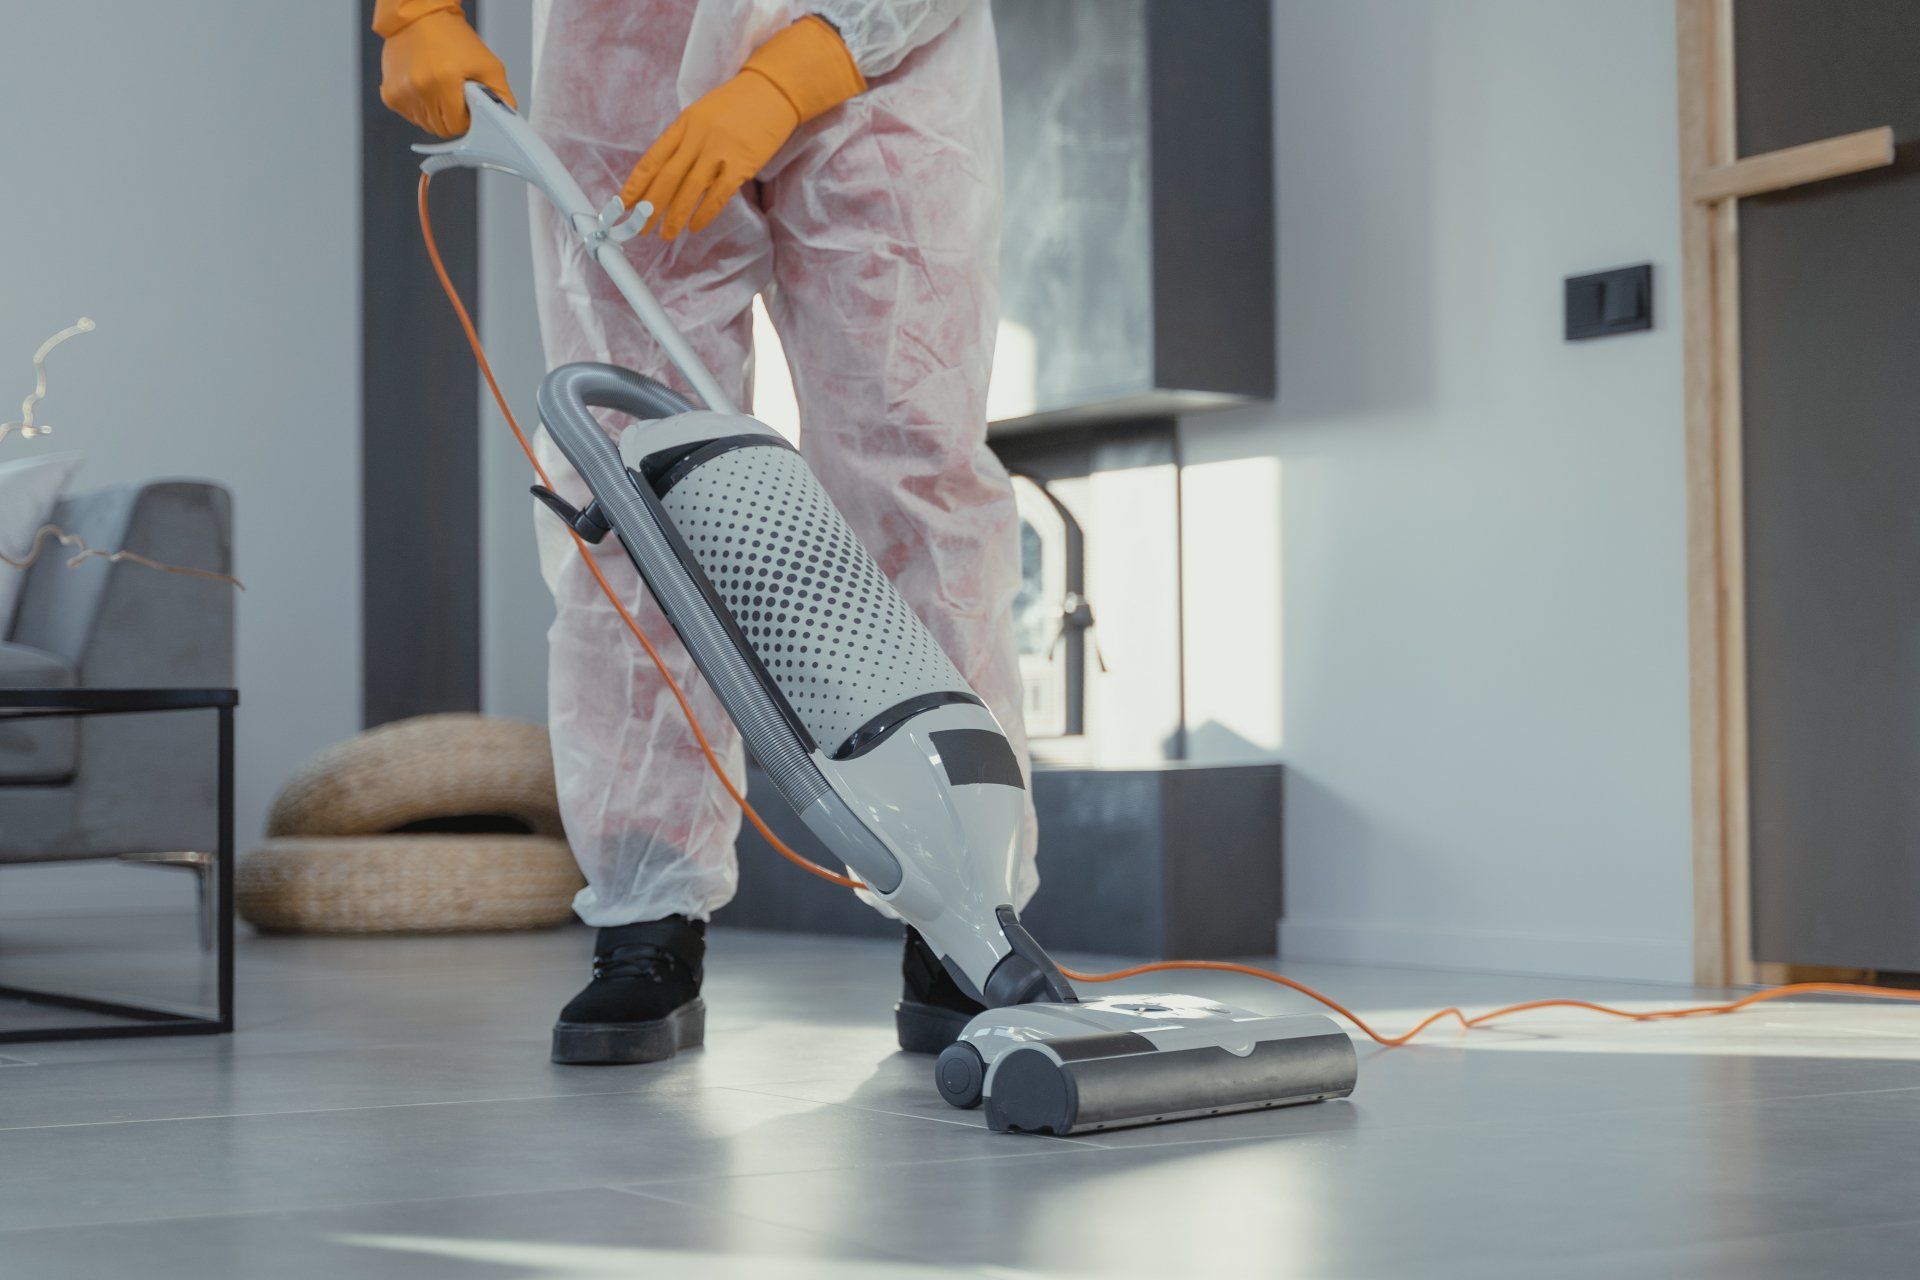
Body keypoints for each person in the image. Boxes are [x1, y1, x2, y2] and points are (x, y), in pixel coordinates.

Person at [374, 0, 1037, 1064]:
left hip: (889, 64)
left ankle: (962, 910)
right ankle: (648, 914)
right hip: (624, 51)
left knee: (915, 474)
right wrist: (418, 11)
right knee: (635, 481)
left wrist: (794, 72)